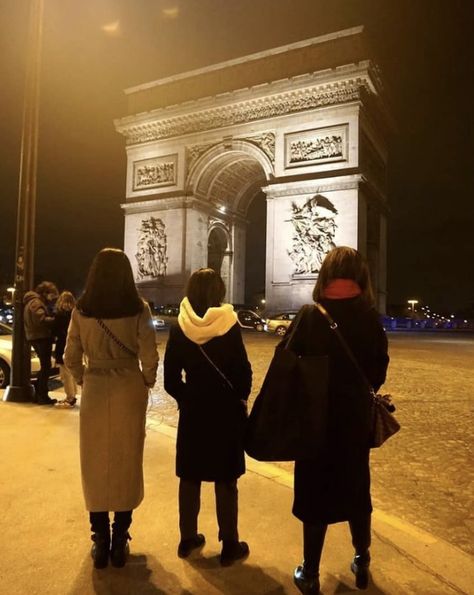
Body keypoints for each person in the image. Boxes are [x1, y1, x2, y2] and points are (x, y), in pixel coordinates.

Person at [287, 247, 389, 594]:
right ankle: (362, 560)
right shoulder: (369, 318)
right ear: (361, 275)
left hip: (314, 422)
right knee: (356, 489)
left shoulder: (309, 316)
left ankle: (310, 572)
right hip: (353, 422)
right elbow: (378, 372)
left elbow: (286, 367)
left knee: (315, 492)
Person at [64, 248, 159, 569]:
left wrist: (83, 379)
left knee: (94, 463)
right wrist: (146, 380)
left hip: (95, 386)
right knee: (126, 462)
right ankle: (120, 540)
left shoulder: (81, 310)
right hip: (129, 388)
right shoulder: (139, 308)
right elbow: (150, 353)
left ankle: (99, 539)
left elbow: (70, 357)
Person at [164, 268, 252, 566]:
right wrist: (238, 397)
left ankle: (187, 538)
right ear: (218, 291)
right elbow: (243, 371)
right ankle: (229, 544)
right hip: (225, 411)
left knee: (189, 476)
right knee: (226, 478)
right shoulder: (229, 324)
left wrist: (188, 399)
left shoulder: (180, 326)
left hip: (194, 412)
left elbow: (171, 379)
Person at [24, 281, 59, 405]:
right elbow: (41, 320)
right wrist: (56, 319)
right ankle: (41, 395)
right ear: (45, 292)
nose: (52, 298)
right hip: (41, 337)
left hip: (36, 336)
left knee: (45, 366)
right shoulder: (36, 302)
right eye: (52, 295)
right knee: (46, 367)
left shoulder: (33, 302)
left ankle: (39, 394)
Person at [53, 291, 78, 408]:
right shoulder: (75, 313)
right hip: (73, 344)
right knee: (71, 372)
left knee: (65, 373)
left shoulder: (59, 314)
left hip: (62, 344)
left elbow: (56, 330)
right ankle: (73, 394)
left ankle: (70, 397)